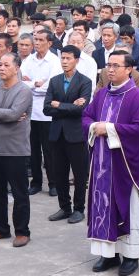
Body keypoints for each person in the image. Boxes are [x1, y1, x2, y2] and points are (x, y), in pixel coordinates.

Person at [83, 52, 139, 276]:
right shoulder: (101, 94)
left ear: (129, 69)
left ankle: (130, 256)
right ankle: (108, 254)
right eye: (108, 65)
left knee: (128, 207)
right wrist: (94, 127)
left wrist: (109, 129)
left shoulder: (136, 96)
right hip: (102, 162)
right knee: (103, 205)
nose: (110, 70)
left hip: (126, 165)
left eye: (116, 66)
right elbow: (87, 116)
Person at [0, 52, 34, 247]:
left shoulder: (23, 91)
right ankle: (0, 228)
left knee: (19, 193)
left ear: (17, 68)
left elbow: (14, 114)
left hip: (16, 150)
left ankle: (22, 231)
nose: (1, 68)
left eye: (5, 65)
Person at [46, 45, 93, 223]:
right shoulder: (55, 81)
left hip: (76, 134)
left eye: (68, 58)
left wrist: (59, 105)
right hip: (57, 134)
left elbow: (81, 109)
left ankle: (79, 209)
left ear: (77, 60)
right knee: (60, 174)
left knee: (80, 175)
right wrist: (69, 106)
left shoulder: (85, 81)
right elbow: (46, 108)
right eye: (63, 58)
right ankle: (64, 207)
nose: (64, 62)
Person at [22, 29, 60, 196]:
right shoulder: (29, 60)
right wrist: (36, 84)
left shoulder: (54, 61)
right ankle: (36, 182)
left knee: (50, 151)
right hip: (30, 111)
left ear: (49, 43)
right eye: (35, 39)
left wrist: (35, 85)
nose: (36, 43)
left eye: (40, 40)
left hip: (47, 113)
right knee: (33, 150)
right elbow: (21, 82)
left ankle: (53, 183)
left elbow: (52, 87)